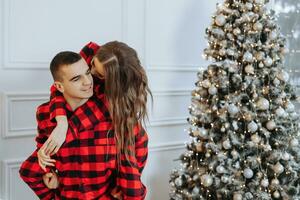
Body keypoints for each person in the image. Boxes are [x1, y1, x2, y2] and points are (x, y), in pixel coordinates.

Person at [19, 44, 151, 199]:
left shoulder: (116, 113)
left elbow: (133, 167)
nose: (90, 80)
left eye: (94, 74)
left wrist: (122, 193)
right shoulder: (46, 113)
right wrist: (60, 123)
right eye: (91, 67)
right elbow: (31, 171)